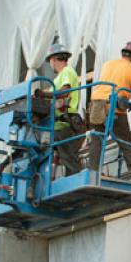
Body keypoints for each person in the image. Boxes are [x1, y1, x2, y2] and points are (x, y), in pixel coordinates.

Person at [87, 40, 131, 178]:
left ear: (123, 53)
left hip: (96, 104)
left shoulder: (108, 64)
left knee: (97, 139)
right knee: (125, 142)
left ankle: (92, 172)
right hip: (114, 107)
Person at [46, 42, 85, 175]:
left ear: (53, 59)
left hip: (66, 123)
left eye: (50, 61)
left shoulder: (68, 71)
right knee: (60, 156)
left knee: (69, 158)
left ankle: (75, 180)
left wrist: (45, 94)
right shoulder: (58, 78)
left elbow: (64, 91)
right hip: (57, 124)